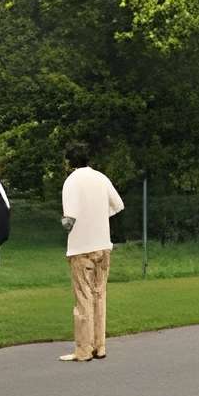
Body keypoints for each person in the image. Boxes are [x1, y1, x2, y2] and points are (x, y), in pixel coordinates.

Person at [59, 142, 124, 363]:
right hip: (103, 244)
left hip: (81, 247)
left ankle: (83, 350)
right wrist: (98, 216)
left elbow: (69, 219)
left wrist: (64, 223)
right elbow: (118, 205)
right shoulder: (101, 178)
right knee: (99, 295)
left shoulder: (71, 182)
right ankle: (100, 346)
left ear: (69, 162)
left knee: (83, 298)